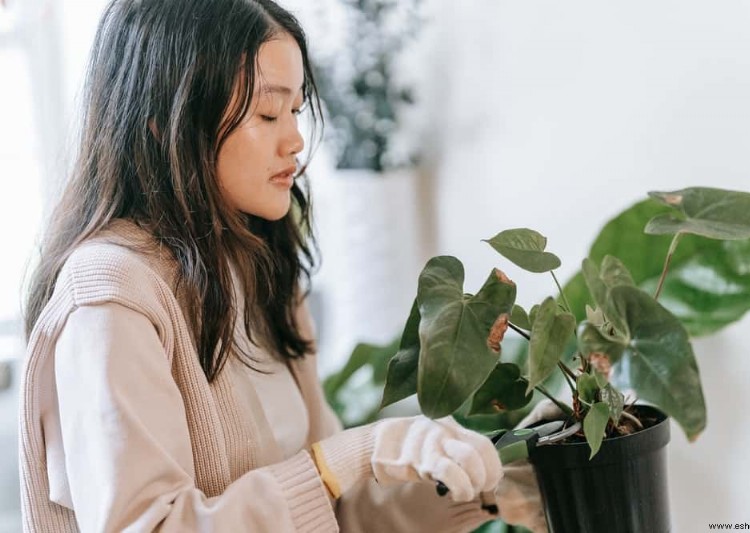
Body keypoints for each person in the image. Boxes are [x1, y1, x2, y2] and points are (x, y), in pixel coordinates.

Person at [19, 0, 545, 531]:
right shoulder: (110, 297)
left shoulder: (262, 267)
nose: (294, 139)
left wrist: (487, 483)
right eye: (268, 113)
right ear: (164, 123)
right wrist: (356, 454)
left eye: (295, 110)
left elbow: (336, 514)